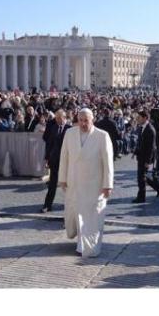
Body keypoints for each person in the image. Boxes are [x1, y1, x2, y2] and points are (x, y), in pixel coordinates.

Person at [58, 108, 114, 258]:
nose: (83, 123)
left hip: (94, 185)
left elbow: (108, 162)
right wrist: (62, 178)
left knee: (92, 218)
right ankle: (80, 242)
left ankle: (89, 247)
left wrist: (108, 185)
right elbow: (64, 157)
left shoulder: (102, 136)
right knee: (77, 215)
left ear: (92, 120)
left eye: (86, 121)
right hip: (74, 183)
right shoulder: (69, 133)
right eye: (81, 120)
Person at [41, 109, 71, 213]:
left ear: (64, 118)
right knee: (52, 184)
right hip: (54, 160)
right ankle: (47, 205)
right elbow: (48, 144)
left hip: (67, 161)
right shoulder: (53, 128)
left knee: (69, 185)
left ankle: (70, 206)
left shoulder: (70, 129)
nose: (57, 120)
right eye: (56, 118)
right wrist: (47, 158)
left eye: (59, 118)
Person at [132, 110, 159, 203]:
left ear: (145, 118)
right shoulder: (142, 127)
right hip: (141, 155)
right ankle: (158, 187)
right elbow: (140, 142)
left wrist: (147, 161)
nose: (137, 119)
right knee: (142, 176)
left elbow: (151, 147)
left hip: (145, 157)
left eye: (139, 117)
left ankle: (141, 197)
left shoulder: (150, 130)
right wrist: (135, 151)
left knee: (141, 178)